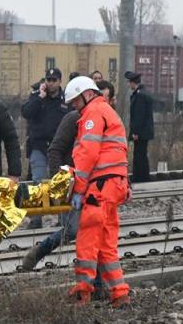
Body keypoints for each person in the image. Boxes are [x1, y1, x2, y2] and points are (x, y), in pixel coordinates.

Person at [21, 79, 118, 271]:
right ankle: (40, 250)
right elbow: (55, 150)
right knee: (72, 230)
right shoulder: (73, 119)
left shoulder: (110, 120)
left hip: (98, 187)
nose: (102, 103)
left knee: (97, 233)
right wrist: (61, 182)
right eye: (101, 97)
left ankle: (97, 285)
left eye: (107, 99)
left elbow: (115, 155)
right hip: (74, 184)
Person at [64, 76, 131, 307]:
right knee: (106, 241)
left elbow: (88, 154)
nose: (74, 106)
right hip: (114, 185)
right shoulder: (109, 111)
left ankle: (83, 290)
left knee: (87, 236)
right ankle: (120, 292)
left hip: (100, 187)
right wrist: (125, 182)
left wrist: (79, 189)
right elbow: (119, 151)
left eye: (75, 101)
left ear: (87, 94)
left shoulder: (92, 114)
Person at [21, 67, 71, 228]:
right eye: (48, 80)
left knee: (61, 182)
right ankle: (36, 219)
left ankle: (63, 219)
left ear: (59, 81)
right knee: (38, 181)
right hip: (39, 146)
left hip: (60, 147)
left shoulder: (66, 99)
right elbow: (26, 112)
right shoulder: (37, 96)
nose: (50, 83)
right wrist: (40, 97)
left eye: (54, 80)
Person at [125, 70, 154, 183]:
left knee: (139, 154)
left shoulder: (140, 95)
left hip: (141, 132)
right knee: (141, 153)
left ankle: (141, 177)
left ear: (133, 83)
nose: (129, 85)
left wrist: (135, 132)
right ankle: (141, 176)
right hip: (145, 131)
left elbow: (139, 116)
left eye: (129, 82)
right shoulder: (143, 92)